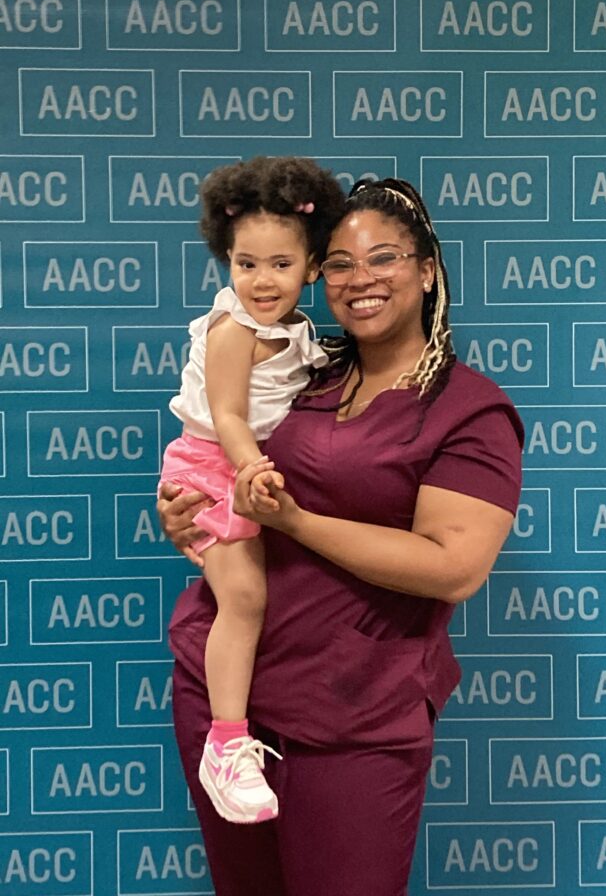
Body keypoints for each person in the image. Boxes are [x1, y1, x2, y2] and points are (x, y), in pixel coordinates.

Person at [158, 176, 524, 896]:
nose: (360, 281)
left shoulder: (469, 411)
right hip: (227, 703)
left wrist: (294, 521)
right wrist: (190, 516)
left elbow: (453, 568)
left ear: (427, 271)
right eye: (340, 263)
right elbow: (217, 448)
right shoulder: (303, 370)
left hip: (356, 721)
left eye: (384, 258)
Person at [158, 155, 344, 824]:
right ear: (226, 261)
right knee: (244, 594)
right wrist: (249, 470)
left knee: (265, 592)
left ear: (314, 266)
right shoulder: (234, 330)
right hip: (212, 463)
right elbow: (230, 416)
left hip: (242, 468)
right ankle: (227, 741)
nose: (261, 281)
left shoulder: (298, 334)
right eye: (245, 264)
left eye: (280, 264)